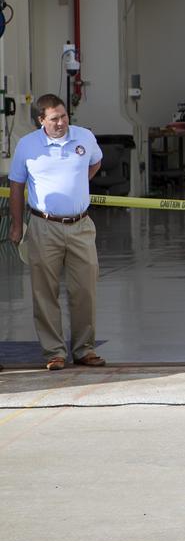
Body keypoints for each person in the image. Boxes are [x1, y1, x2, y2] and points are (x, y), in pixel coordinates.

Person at [7, 94, 105, 371]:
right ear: (41, 121)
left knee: (85, 289)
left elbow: (96, 162)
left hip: (81, 226)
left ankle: (85, 349)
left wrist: (79, 182)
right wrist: (17, 226)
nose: (61, 122)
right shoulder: (27, 145)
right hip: (43, 227)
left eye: (63, 116)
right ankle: (54, 352)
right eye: (54, 119)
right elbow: (16, 187)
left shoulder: (84, 137)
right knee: (44, 292)